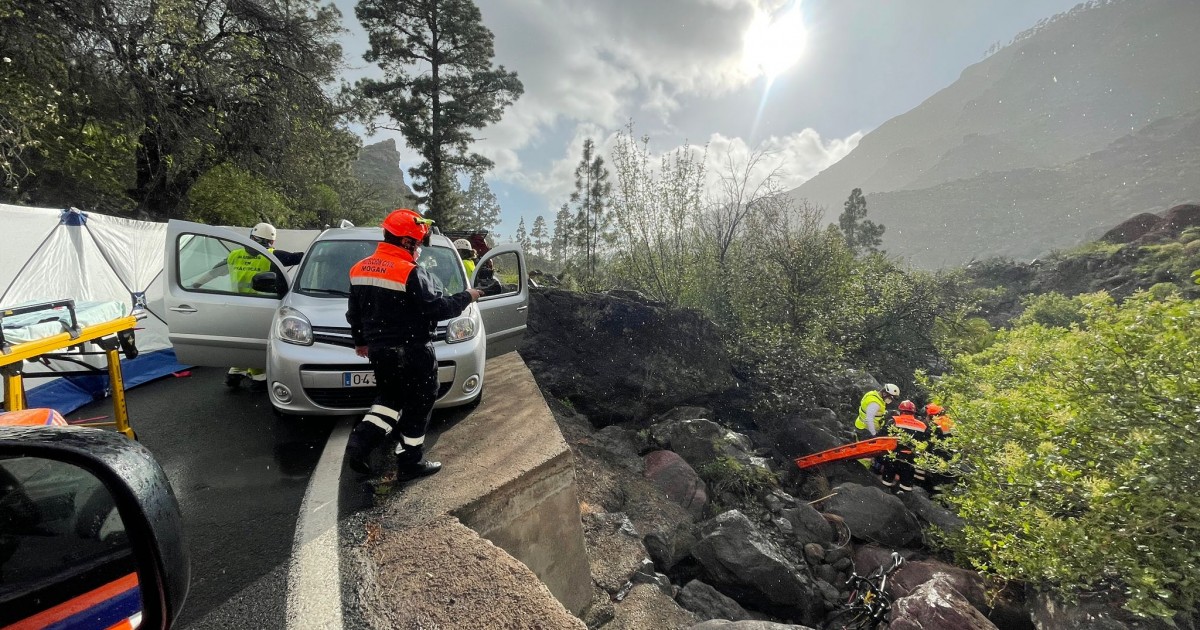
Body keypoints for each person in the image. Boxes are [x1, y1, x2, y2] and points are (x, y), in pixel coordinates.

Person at [344, 209, 483, 480]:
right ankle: (410, 462)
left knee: (389, 399)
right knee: (420, 402)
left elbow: (354, 313)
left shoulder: (359, 268)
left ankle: (360, 444)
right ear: (407, 241)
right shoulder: (410, 272)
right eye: (418, 243)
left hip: (380, 352)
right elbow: (438, 309)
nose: (419, 248)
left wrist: (361, 342)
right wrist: (468, 296)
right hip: (413, 351)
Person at [191, 222, 303, 390]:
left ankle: (235, 373)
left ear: (251, 237)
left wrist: (195, 285)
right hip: (262, 306)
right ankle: (258, 377)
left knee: (243, 340)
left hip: (238, 305)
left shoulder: (234, 255)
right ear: (271, 241)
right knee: (259, 342)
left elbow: (214, 272)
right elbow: (298, 257)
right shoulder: (272, 255)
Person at [878, 400, 928, 492]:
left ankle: (885, 492)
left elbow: (881, 437)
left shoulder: (893, 421)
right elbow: (925, 443)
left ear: (900, 411)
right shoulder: (922, 426)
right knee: (906, 487)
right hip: (910, 459)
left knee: (886, 483)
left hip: (893, 456)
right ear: (914, 412)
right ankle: (904, 494)